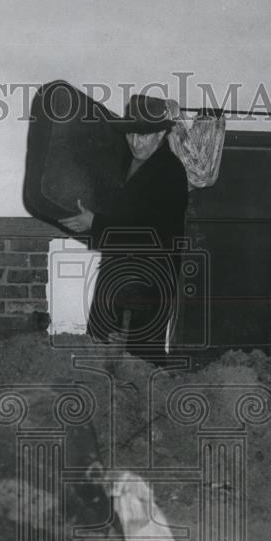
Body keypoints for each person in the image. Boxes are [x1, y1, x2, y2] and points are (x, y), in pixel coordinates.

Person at [60, 95, 188, 366]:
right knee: (101, 349)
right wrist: (90, 220)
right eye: (131, 133)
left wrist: (94, 223)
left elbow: (151, 234)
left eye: (144, 135)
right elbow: (123, 215)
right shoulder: (125, 164)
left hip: (149, 278)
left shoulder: (171, 174)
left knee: (138, 359)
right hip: (117, 271)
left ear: (162, 133)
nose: (135, 142)